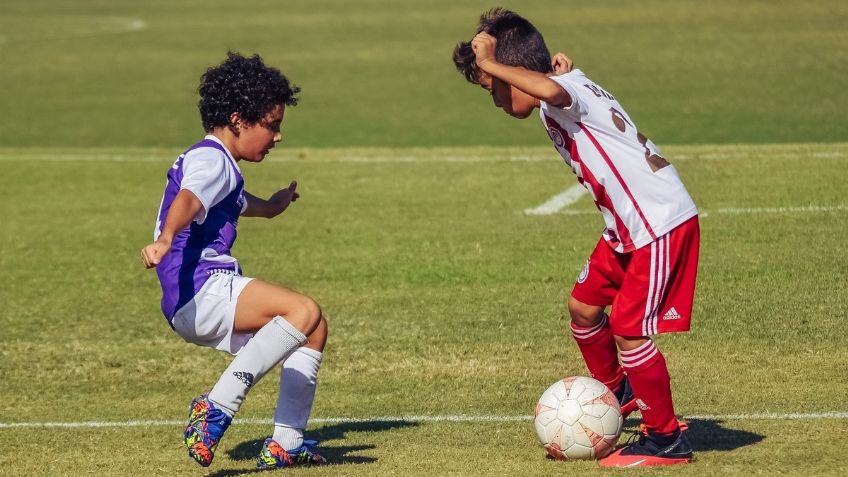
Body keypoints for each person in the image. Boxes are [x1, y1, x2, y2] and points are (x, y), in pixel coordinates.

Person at [452, 8, 699, 467]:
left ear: (515, 71)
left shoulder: (562, 92)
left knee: (629, 332)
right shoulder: (563, 87)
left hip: (656, 222)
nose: (496, 99)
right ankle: (620, 393)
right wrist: (518, 72)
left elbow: (549, 90)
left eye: (493, 87)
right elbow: (544, 92)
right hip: (626, 228)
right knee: (584, 309)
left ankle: (666, 439)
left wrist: (490, 63)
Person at [140, 52, 327, 469]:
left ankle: (286, 442)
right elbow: (190, 199)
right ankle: (216, 407)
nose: (278, 136)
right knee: (302, 310)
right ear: (239, 120)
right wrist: (165, 238)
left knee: (313, 329)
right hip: (201, 289)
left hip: (192, 295)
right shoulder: (212, 161)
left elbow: (238, 202)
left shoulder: (220, 164)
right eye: (272, 125)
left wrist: (274, 206)